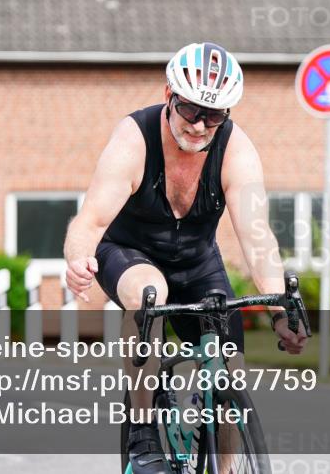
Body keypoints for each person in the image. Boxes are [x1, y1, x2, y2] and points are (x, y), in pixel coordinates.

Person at [63, 42, 307, 474]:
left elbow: (257, 239)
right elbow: (91, 218)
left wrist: (279, 311)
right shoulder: (134, 139)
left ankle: (225, 468)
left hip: (197, 261)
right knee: (149, 294)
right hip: (128, 252)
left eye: (213, 116)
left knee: (230, 366)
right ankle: (142, 432)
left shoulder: (236, 150)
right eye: (190, 110)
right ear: (168, 95)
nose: (198, 125)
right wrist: (78, 257)